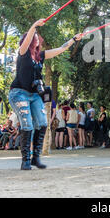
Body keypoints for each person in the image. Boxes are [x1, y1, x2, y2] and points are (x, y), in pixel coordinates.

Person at [8, 17, 82, 170]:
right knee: (27, 125)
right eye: (33, 37)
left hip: (34, 95)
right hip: (19, 93)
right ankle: (25, 160)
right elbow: (27, 41)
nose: (36, 39)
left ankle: (35, 158)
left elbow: (60, 49)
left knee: (42, 123)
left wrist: (74, 39)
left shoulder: (40, 56)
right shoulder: (23, 53)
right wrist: (34, 25)